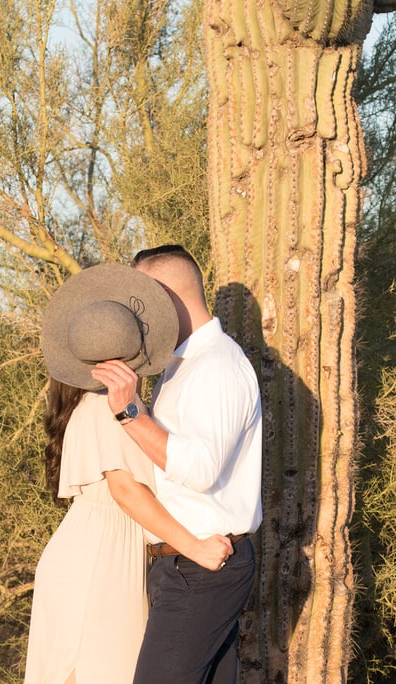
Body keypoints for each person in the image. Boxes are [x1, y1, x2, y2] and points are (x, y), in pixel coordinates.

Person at [25, 263, 234, 684]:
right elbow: (127, 491)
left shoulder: (107, 406)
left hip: (98, 553)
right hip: (100, 561)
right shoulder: (105, 411)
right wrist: (195, 548)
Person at [90, 245, 262, 684]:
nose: (138, 318)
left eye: (140, 302)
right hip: (188, 562)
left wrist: (130, 413)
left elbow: (201, 469)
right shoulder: (182, 366)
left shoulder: (217, 366)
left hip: (203, 565)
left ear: (164, 296)